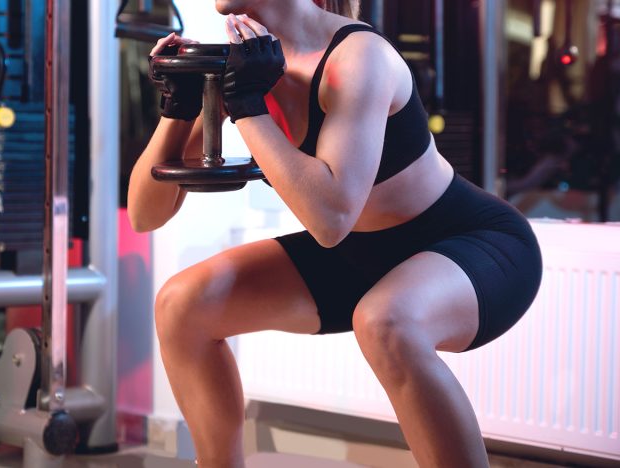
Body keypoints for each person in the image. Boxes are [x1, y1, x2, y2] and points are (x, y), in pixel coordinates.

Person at [128, 1, 543, 466]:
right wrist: (179, 110)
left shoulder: (358, 56)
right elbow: (145, 213)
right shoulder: (252, 62)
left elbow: (329, 219)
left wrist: (246, 107)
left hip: (471, 243)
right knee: (183, 305)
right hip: (358, 254)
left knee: (387, 322)